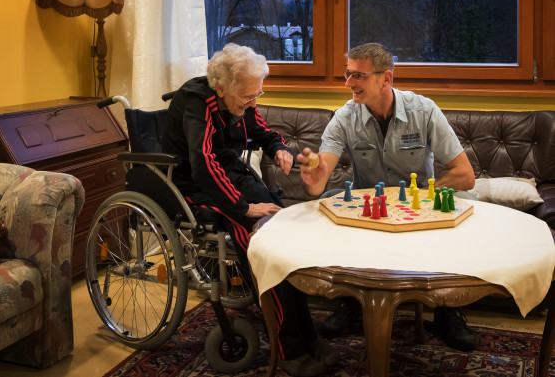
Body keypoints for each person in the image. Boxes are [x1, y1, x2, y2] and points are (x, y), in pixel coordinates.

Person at [163, 43, 339, 377]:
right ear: (221, 88)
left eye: (257, 94)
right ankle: (289, 349)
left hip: (232, 176)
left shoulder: (240, 98)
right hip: (198, 188)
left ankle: (308, 336)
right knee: (266, 248)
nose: (253, 101)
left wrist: (279, 148)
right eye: (248, 96)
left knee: (286, 239)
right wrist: (243, 209)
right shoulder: (196, 101)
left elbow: (261, 130)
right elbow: (202, 165)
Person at [297, 42, 478, 351]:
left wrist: (423, 193)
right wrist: (314, 178)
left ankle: (448, 310)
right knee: (328, 198)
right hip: (371, 211)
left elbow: (465, 175)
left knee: (456, 212)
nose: (348, 83)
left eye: (358, 75)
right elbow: (319, 177)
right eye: (347, 73)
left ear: (386, 78)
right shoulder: (344, 117)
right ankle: (349, 301)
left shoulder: (424, 111)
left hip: (419, 207)